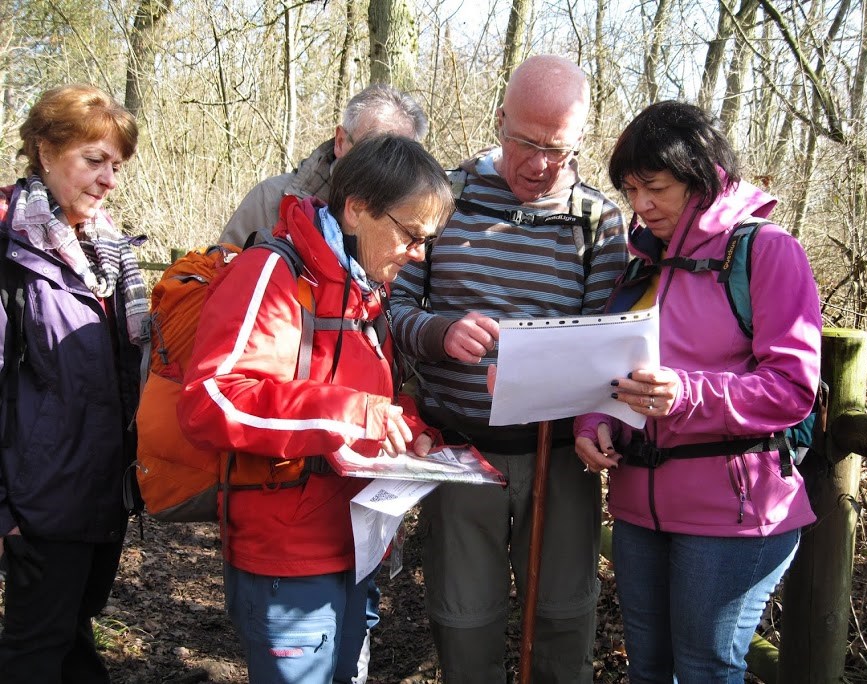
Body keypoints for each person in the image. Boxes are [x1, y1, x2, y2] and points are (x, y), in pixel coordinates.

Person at [177, 135, 454, 684]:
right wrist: (351, 415)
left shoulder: (363, 290)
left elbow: (368, 396)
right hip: (290, 558)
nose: (419, 253)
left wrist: (411, 429)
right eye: (412, 235)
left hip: (354, 548)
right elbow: (211, 399)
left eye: (429, 240)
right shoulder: (273, 276)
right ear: (355, 210)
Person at [388, 55, 628, 682]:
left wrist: (577, 402)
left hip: (560, 457)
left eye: (559, 149)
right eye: (525, 142)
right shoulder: (446, 196)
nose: (540, 164)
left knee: (563, 613)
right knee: (464, 617)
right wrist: (441, 334)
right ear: (499, 121)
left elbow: (608, 339)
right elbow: (390, 309)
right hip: (461, 449)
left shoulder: (596, 221)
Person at [574, 101, 820, 682]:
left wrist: (687, 393)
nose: (640, 205)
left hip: (734, 513)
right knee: (650, 670)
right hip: (639, 506)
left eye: (654, 188)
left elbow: (791, 388)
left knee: (705, 670)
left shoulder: (765, 251)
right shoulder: (640, 260)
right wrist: (592, 423)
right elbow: (611, 368)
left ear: (701, 176)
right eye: (631, 189)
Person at [0, 84, 145, 683]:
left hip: (102, 491)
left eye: (116, 164)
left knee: (72, 633)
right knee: (36, 649)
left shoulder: (106, 252)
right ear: (44, 149)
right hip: (37, 503)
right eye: (94, 160)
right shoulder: (13, 248)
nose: (109, 178)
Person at [220, 83, 428, 246]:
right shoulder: (270, 201)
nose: (382, 169)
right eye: (370, 151)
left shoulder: (409, 228)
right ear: (340, 141)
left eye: (399, 161)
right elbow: (223, 283)